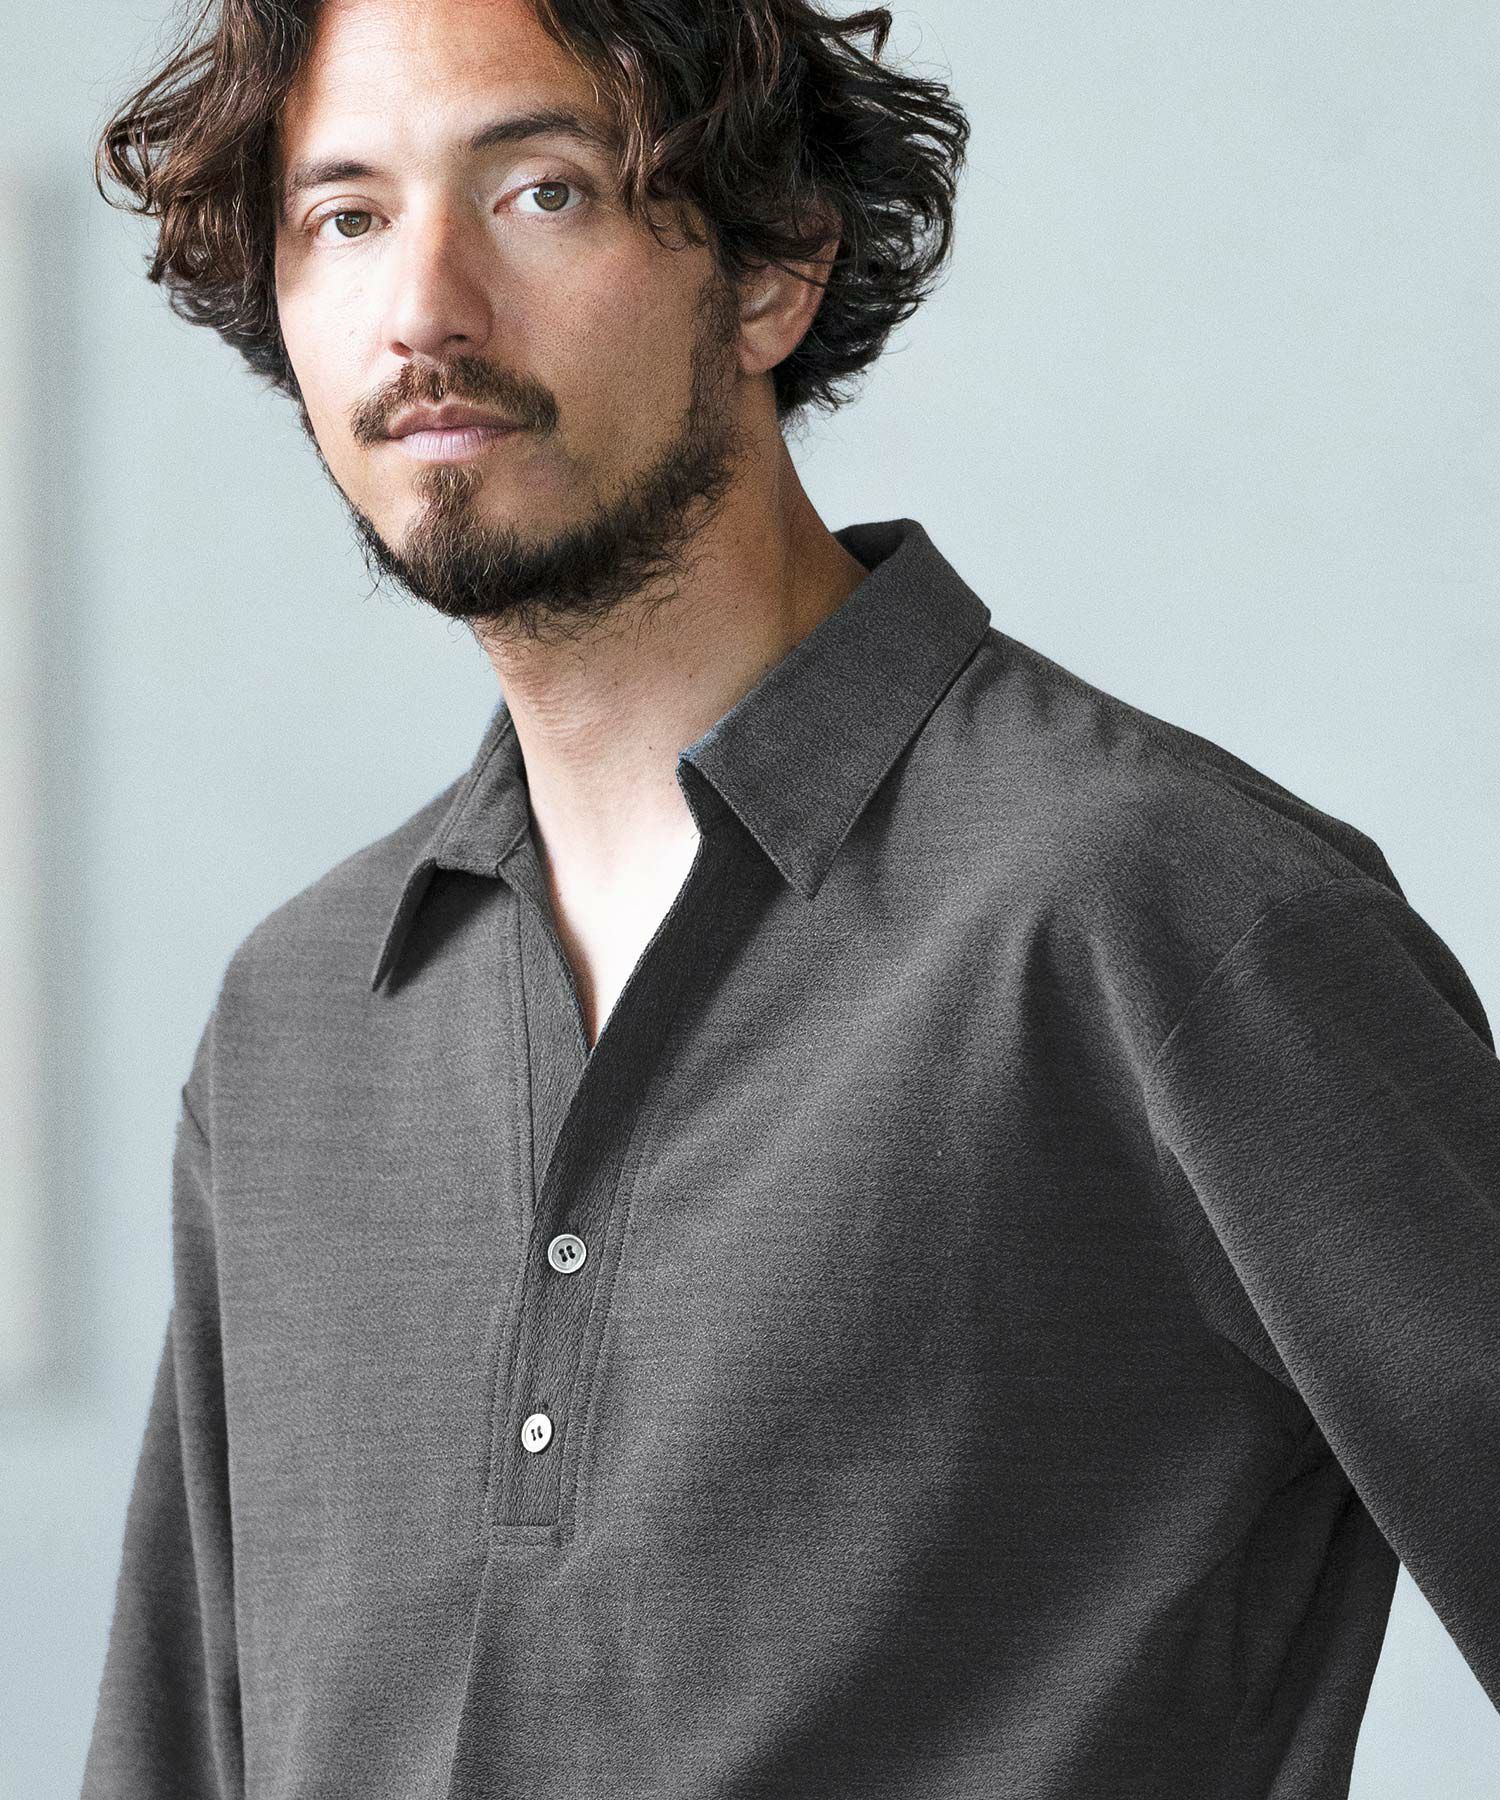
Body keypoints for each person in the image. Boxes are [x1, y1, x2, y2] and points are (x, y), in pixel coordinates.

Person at [82, 0, 1499, 1795]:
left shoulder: (1165, 913)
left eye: (540, 191)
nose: (422, 307)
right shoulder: (294, 1018)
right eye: (345, 215)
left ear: (773, 271)